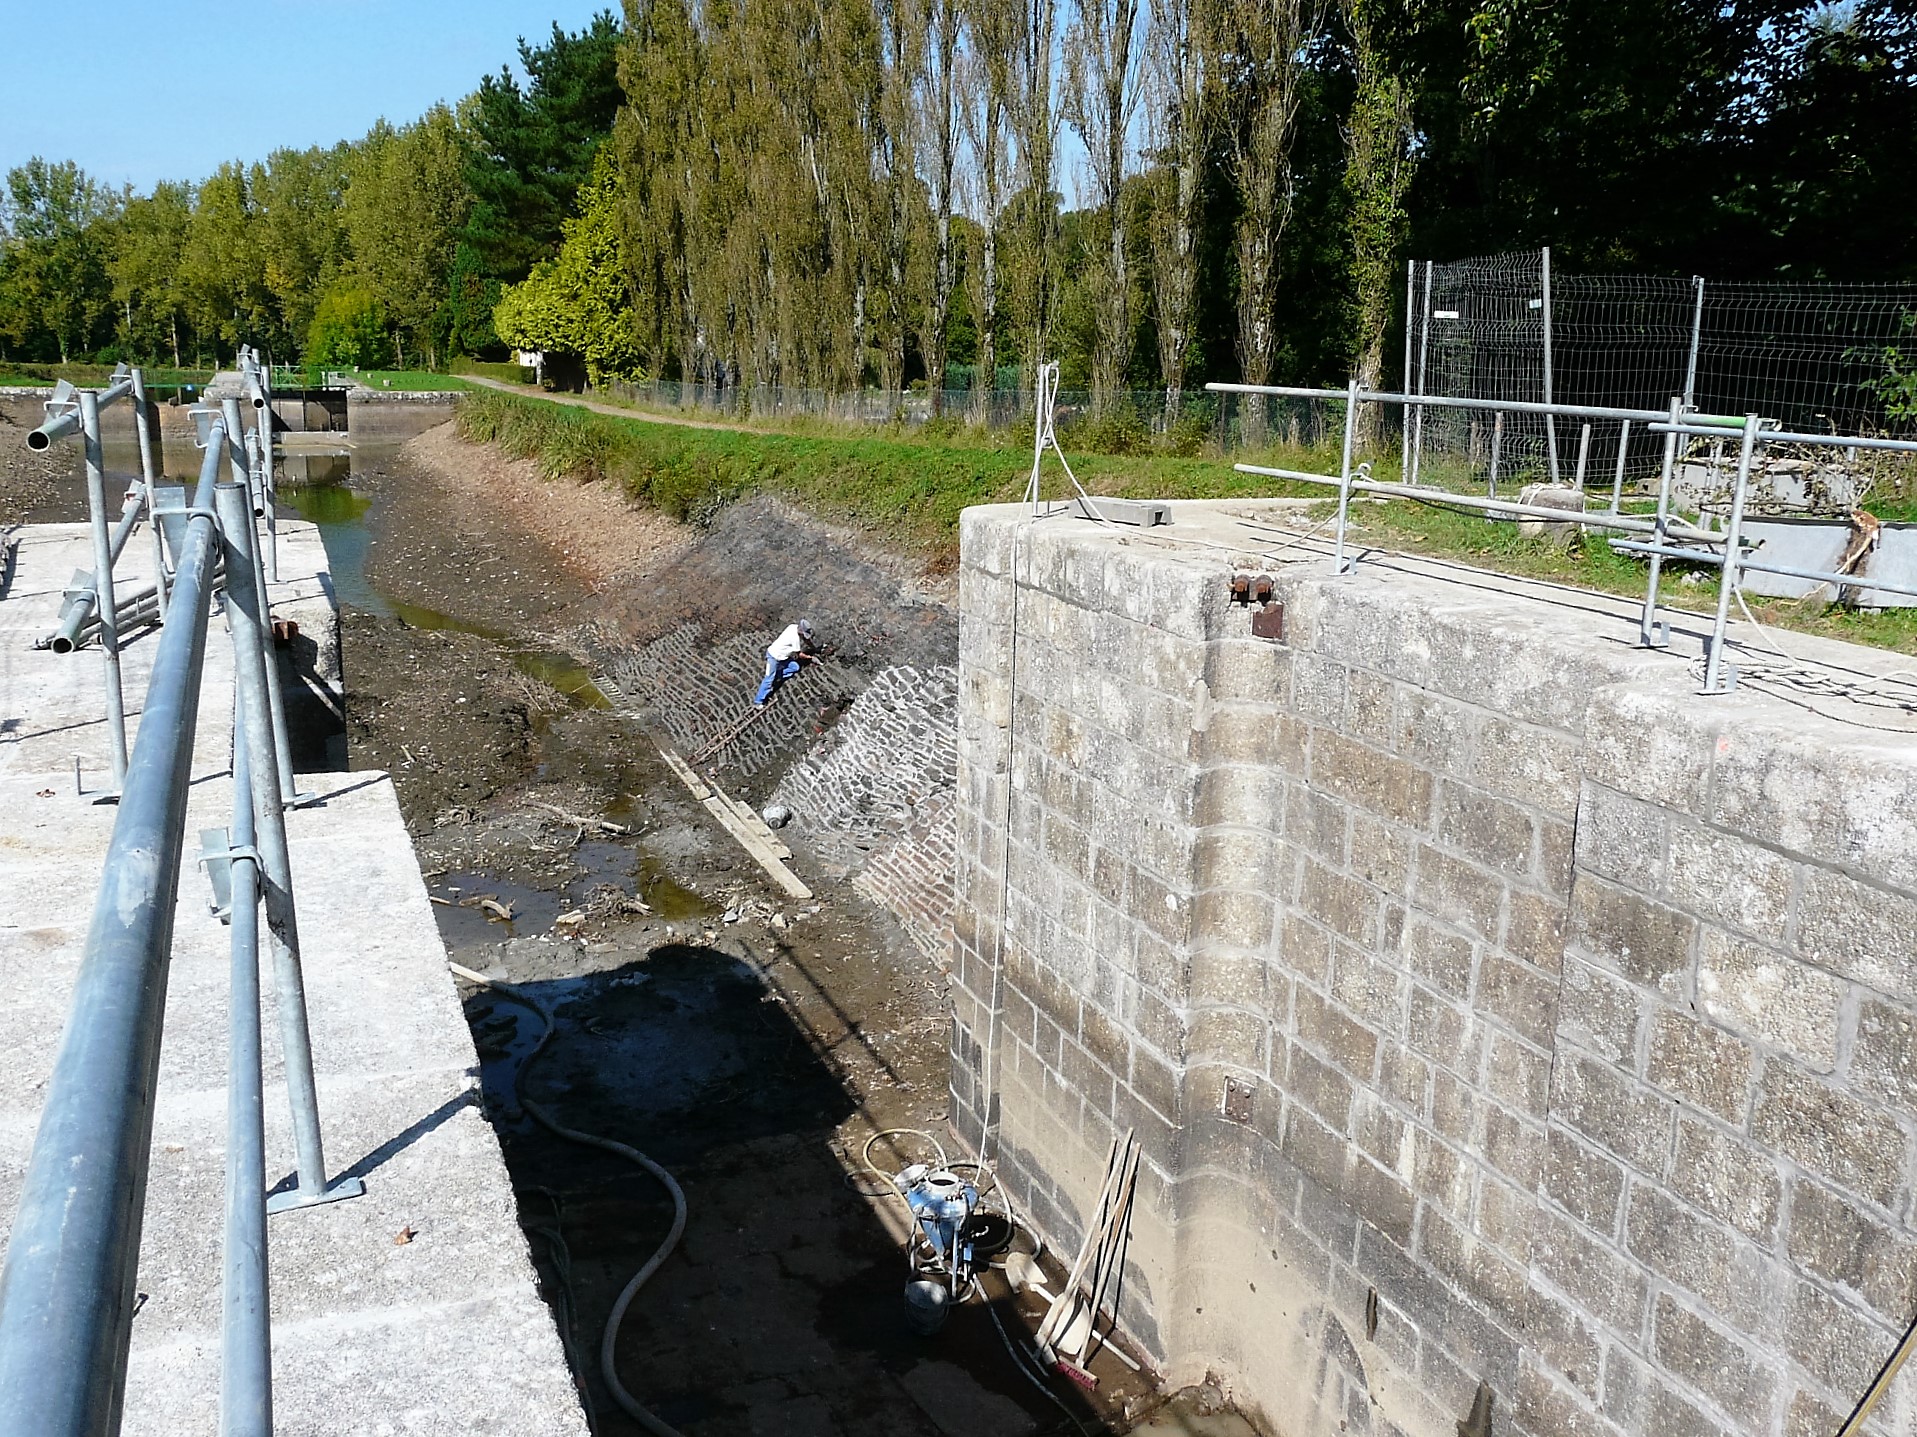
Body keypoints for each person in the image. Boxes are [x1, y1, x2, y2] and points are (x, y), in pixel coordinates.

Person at [754, 619, 818, 706]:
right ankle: (758, 701)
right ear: (801, 631)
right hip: (773, 656)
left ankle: (776, 676)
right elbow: (799, 655)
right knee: (768, 680)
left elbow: (806, 639)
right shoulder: (795, 639)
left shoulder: (792, 626)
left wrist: (813, 648)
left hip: (783, 657)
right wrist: (811, 658)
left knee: (795, 667)